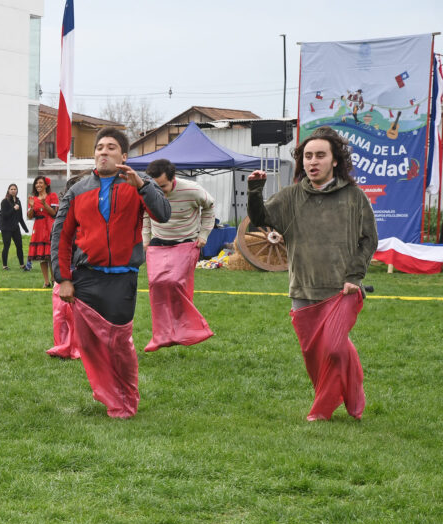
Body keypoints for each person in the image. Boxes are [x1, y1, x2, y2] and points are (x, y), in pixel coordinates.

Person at [247, 126, 377, 421]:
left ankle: (324, 408)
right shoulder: (291, 196)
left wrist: (354, 276)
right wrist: (255, 190)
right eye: (307, 156)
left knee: (332, 347)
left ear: (334, 160)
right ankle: (350, 384)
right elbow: (260, 220)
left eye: (320, 155)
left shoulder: (354, 196)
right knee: (314, 355)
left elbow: (369, 238)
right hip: (302, 290)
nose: (313, 161)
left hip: (341, 289)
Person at [51, 127, 171, 418]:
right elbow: (61, 236)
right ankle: (110, 397)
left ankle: (126, 396)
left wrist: (142, 185)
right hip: (85, 276)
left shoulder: (137, 184)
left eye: (111, 148)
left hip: (122, 277)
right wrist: (63, 278)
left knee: (118, 344)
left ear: (123, 156)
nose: (104, 152)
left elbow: (163, 214)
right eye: (100, 147)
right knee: (89, 345)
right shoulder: (78, 189)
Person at [140, 158, 216, 351]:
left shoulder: (192, 190)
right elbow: (146, 214)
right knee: (156, 284)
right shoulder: (149, 190)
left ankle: (190, 329)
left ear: (173, 178)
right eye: (155, 186)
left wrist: (204, 234)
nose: (159, 191)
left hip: (186, 241)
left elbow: (209, 207)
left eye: (163, 186)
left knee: (174, 283)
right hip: (158, 241)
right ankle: (161, 335)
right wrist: (146, 239)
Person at [27, 176, 58, 287]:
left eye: (40, 183)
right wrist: (31, 207)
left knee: (50, 254)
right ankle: (46, 281)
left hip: (49, 225)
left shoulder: (52, 196)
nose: (38, 185)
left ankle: (54, 278)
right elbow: (30, 216)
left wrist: (44, 204)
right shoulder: (32, 198)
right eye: (36, 183)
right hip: (38, 227)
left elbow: (54, 213)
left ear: (46, 185)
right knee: (41, 255)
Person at [0, 183, 28, 271]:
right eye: (11, 189)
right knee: (6, 246)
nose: (13, 190)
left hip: (15, 227)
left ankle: (22, 265)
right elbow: (4, 215)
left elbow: (20, 217)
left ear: (17, 191)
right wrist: (13, 209)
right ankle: (4, 266)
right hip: (6, 228)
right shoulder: (5, 201)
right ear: (8, 190)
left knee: (19, 246)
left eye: (15, 189)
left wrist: (25, 229)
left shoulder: (18, 201)